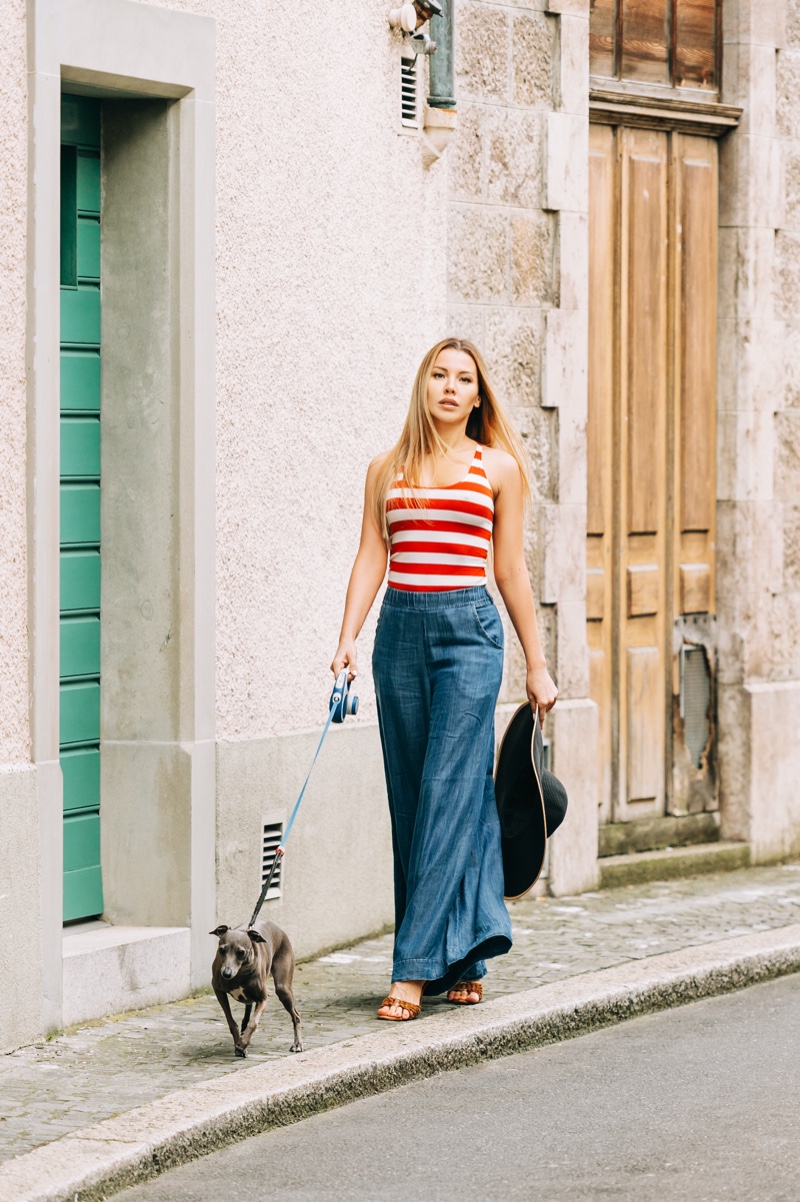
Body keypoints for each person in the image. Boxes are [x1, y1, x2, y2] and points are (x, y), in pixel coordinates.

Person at [331, 338, 558, 1021]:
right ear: (423, 386)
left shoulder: (498, 469)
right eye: (440, 375)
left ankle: (412, 969)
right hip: (399, 635)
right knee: (413, 799)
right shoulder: (385, 470)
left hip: (469, 637)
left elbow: (510, 572)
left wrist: (537, 664)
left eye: (465, 379)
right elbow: (372, 553)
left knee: (449, 792)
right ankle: (467, 955)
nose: (452, 388)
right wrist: (346, 636)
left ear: (478, 396)